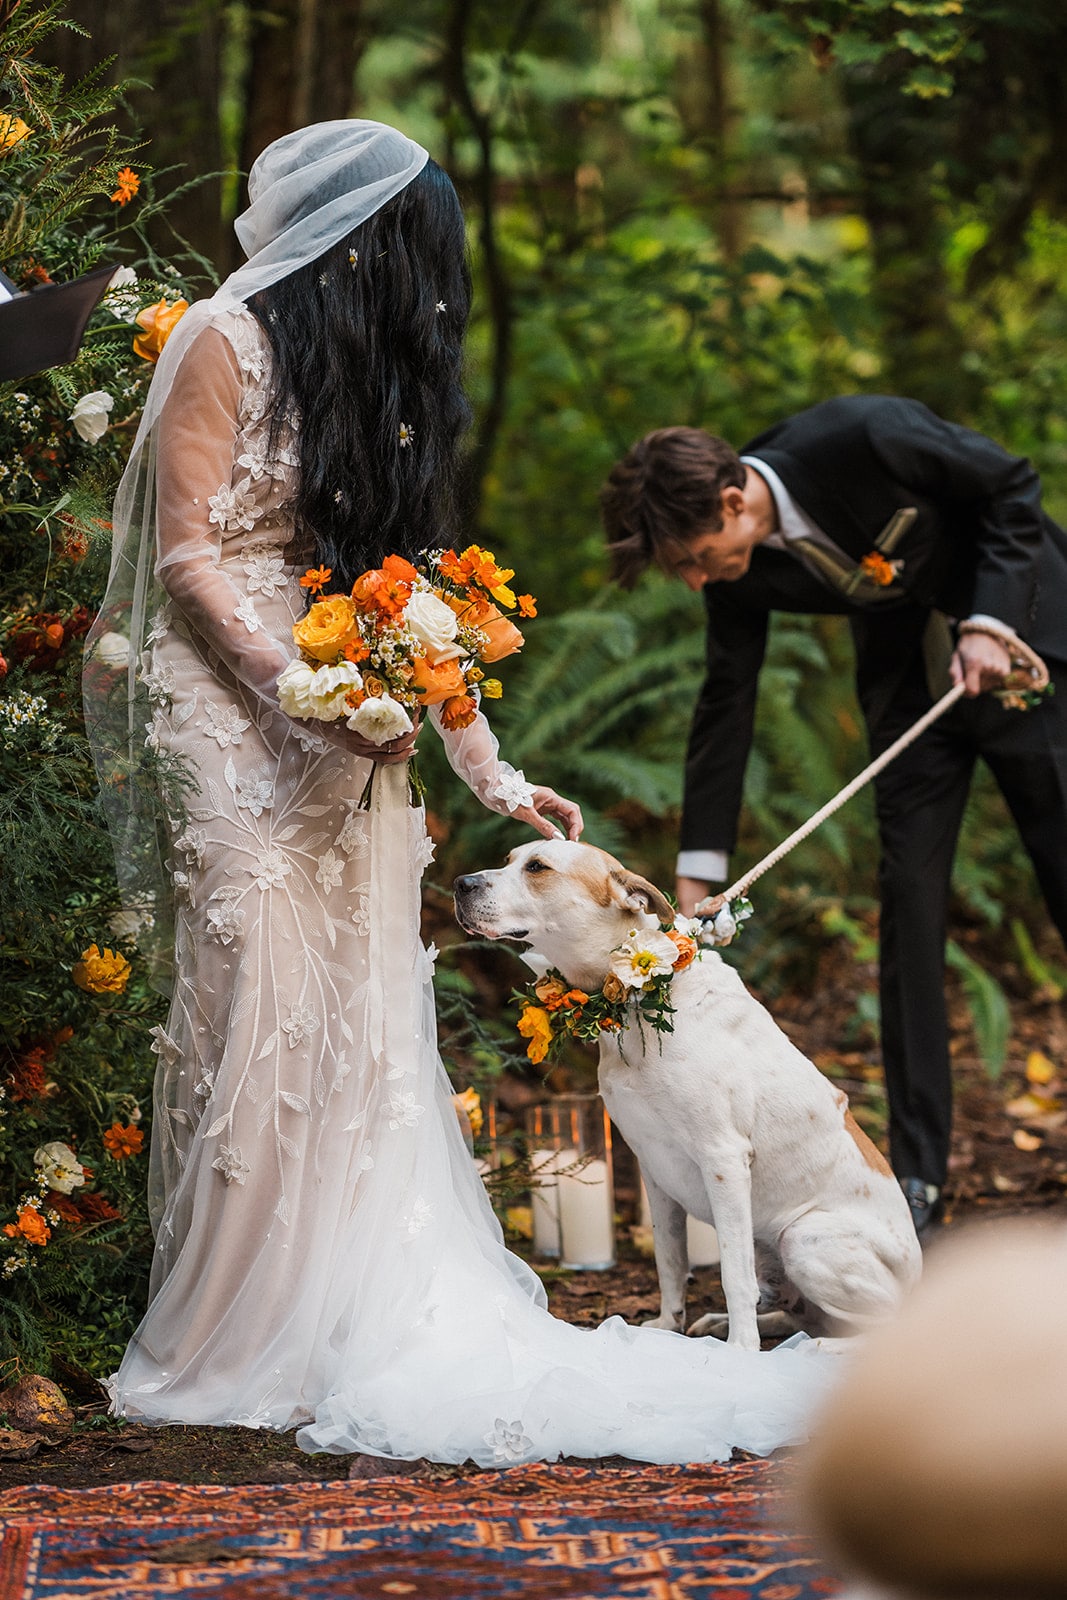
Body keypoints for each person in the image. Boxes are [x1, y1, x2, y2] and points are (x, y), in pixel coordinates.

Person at [83, 121, 833, 1465]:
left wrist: (492, 769)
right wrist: (289, 686)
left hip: (357, 712)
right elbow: (189, 556)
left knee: (363, 1008)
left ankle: (350, 1305)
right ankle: (235, 1324)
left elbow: (412, 603)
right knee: (258, 990)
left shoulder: (366, 385)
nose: (428, 299)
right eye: (418, 265)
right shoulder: (220, 340)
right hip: (233, 692)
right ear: (358, 250)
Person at [600, 403, 1067, 1237]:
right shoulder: (738, 570)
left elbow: (1009, 485)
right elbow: (725, 703)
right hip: (908, 706)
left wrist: (990, 622)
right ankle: (917, 1181)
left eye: (695, 559)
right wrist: (695, 879)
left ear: (734, 503)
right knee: (909, 914)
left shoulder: (861, 437)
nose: (699, 580)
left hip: (1023, 651)